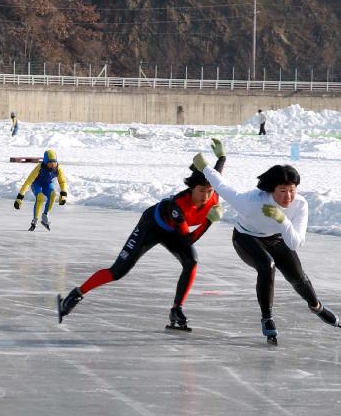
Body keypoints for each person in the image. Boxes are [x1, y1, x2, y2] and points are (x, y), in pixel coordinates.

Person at [57, 139, 227, 331]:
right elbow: (188, 240)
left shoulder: (213, 195)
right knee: (117, 272)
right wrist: (208, 222)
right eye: (201, 190)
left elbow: (217, 175)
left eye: (209, 190)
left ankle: (176, 309)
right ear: (191, 188)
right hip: (151, 226)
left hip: (173, 232)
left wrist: (222, 156)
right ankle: (76, 293)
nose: (206, 196)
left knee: (191, 262)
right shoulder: (179, 205)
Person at [192, 151, 341, 344]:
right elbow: (222, 187)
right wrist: (205, 166)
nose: (288, 196)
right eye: (282, 191)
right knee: (267, 265)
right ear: (271, 190)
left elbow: (295, 242)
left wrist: (282, 220)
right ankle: (267, 318)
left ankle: (317, 307)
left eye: (292, 190)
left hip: (276, 237)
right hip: (246, 238)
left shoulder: (300, 205)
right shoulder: (252, 201)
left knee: (297, 275)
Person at [14, 149, 68, 231]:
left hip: (47, 184)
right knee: (40, 197)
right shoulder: (39, 168)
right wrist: (19, 198)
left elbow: (62, 181)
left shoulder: (58, 168)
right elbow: (28, 182)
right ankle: (35, 220)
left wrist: (63, 195)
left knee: (53, 194)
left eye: (54, 163)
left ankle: (45, 216)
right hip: (36, 184)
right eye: (50, 163)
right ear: (46, 163)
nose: (53, 166)